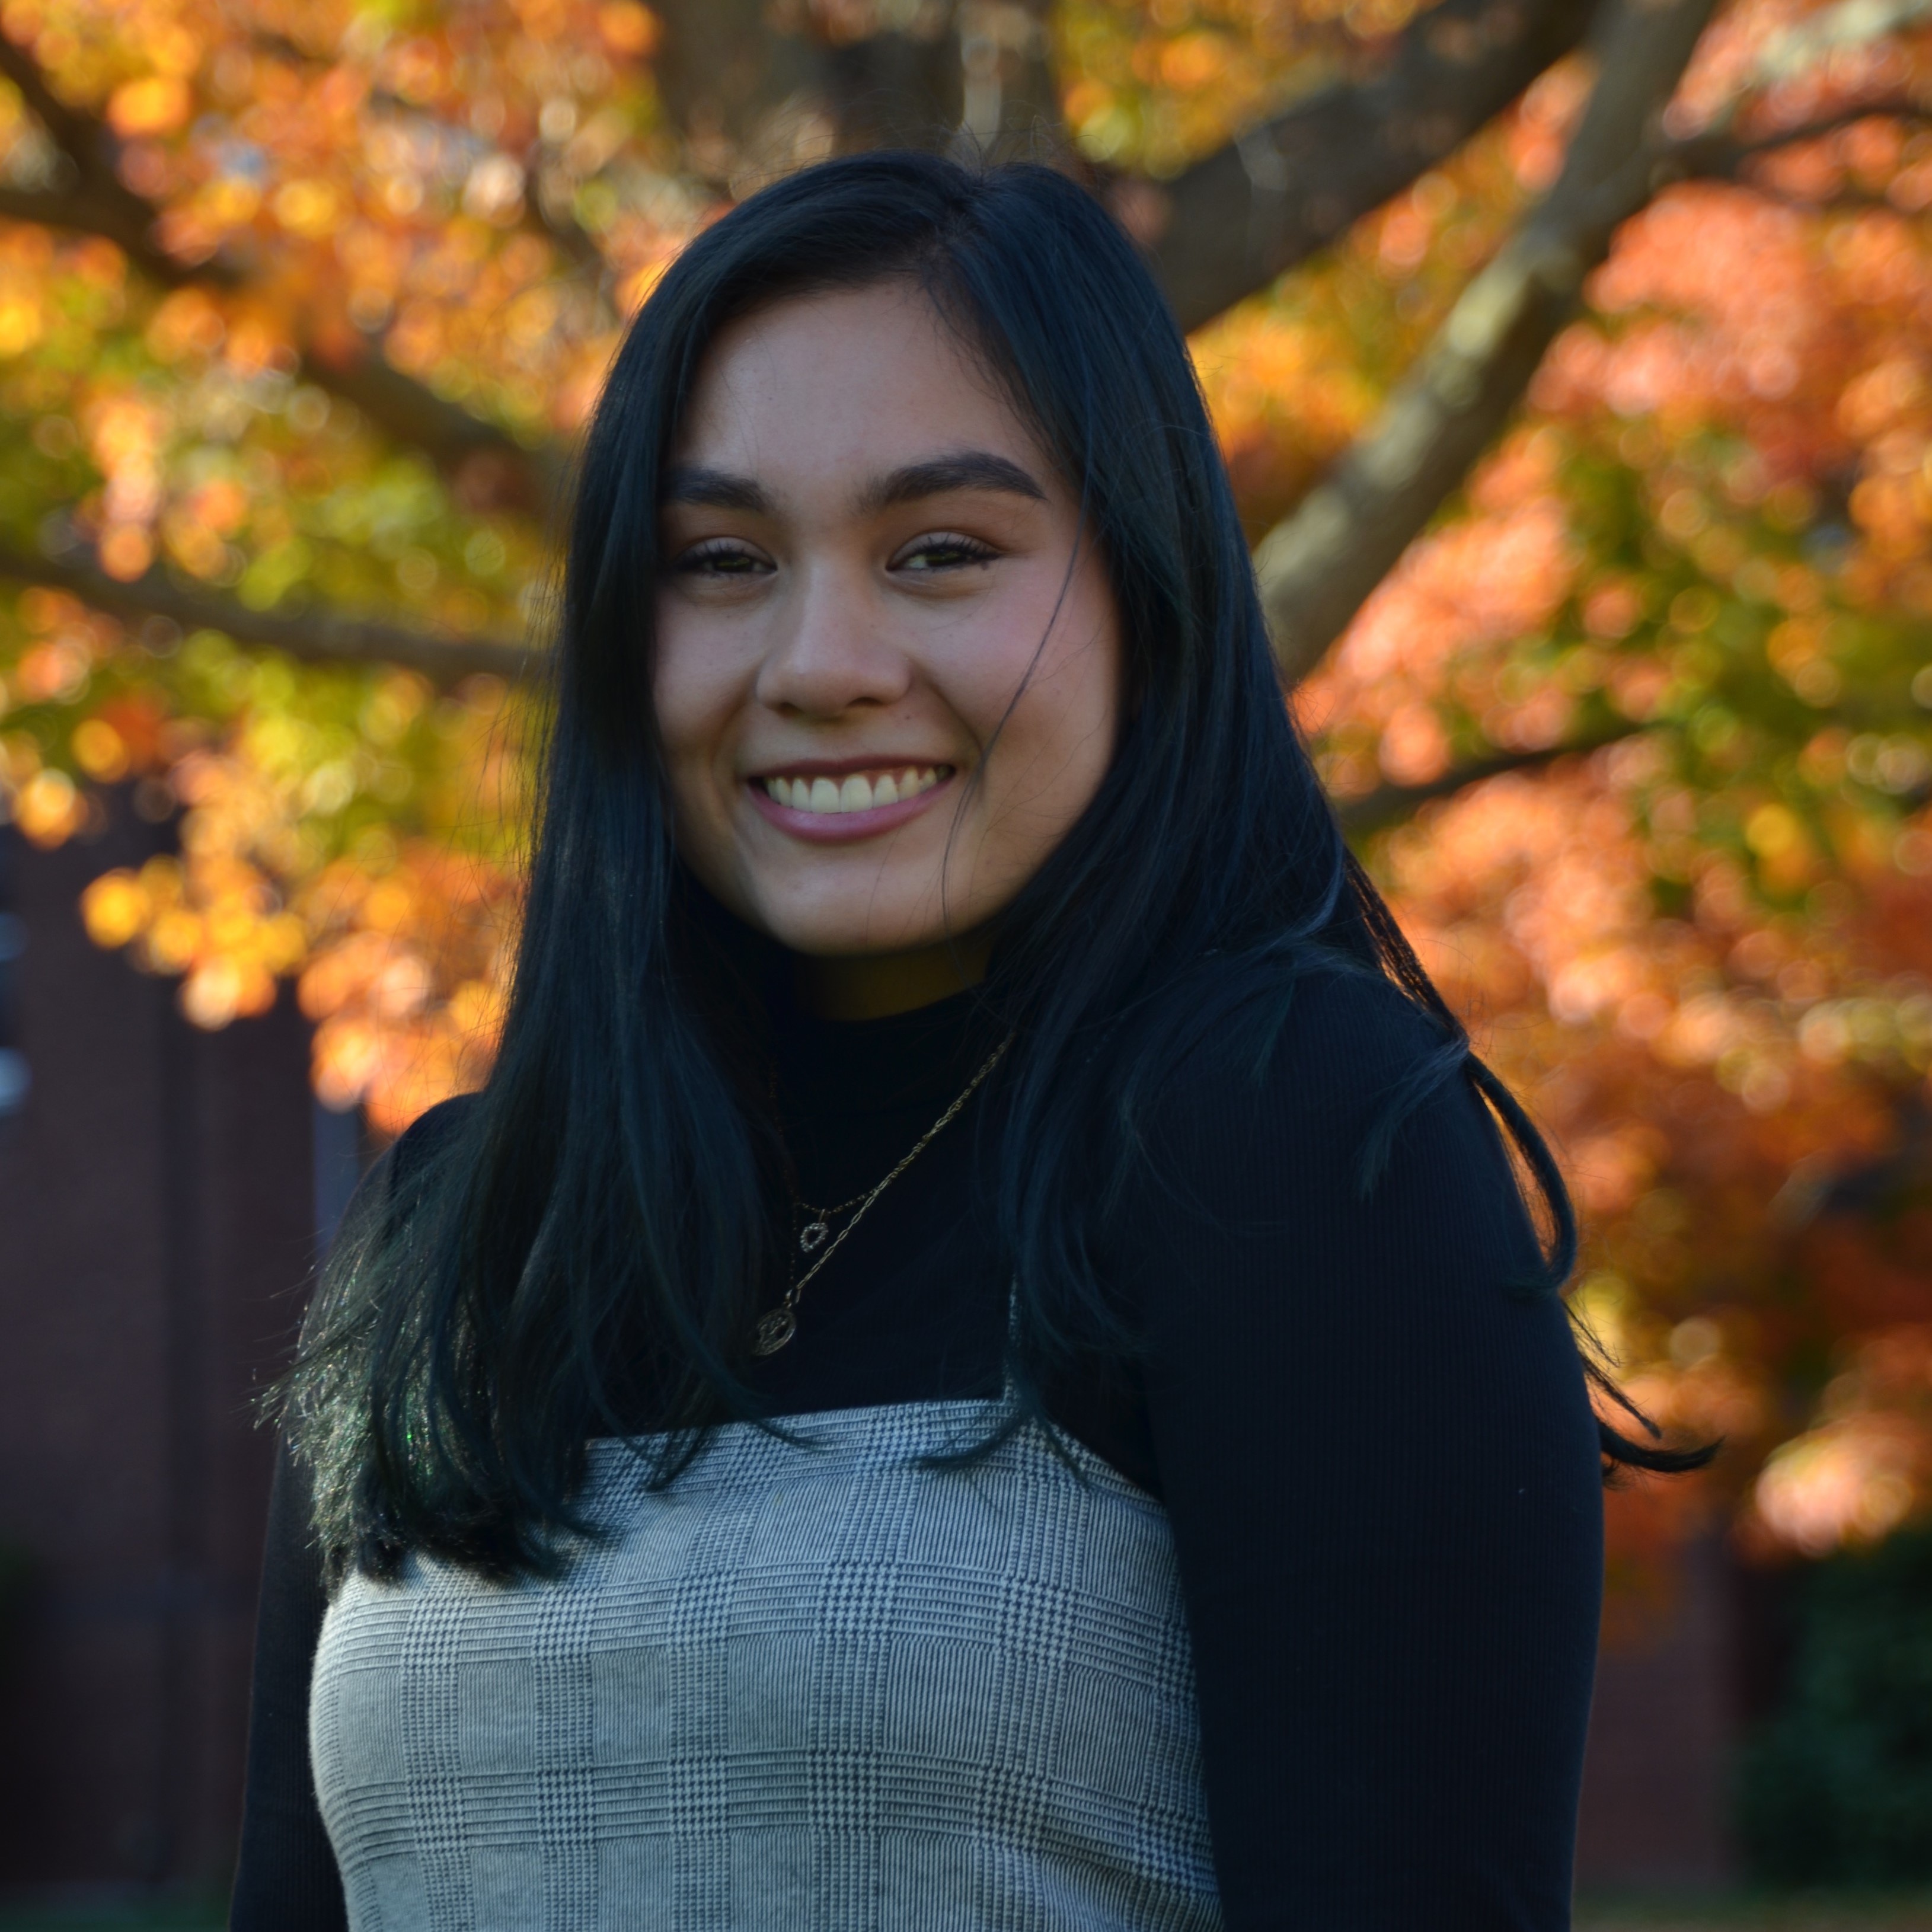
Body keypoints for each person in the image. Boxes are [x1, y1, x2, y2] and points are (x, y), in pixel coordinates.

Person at [229, 151, 1700, 1932]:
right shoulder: (463, 1225)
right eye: (720, 559)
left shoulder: (1287, 1139)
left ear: (1141, 601)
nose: (821, 659)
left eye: (942, 551)